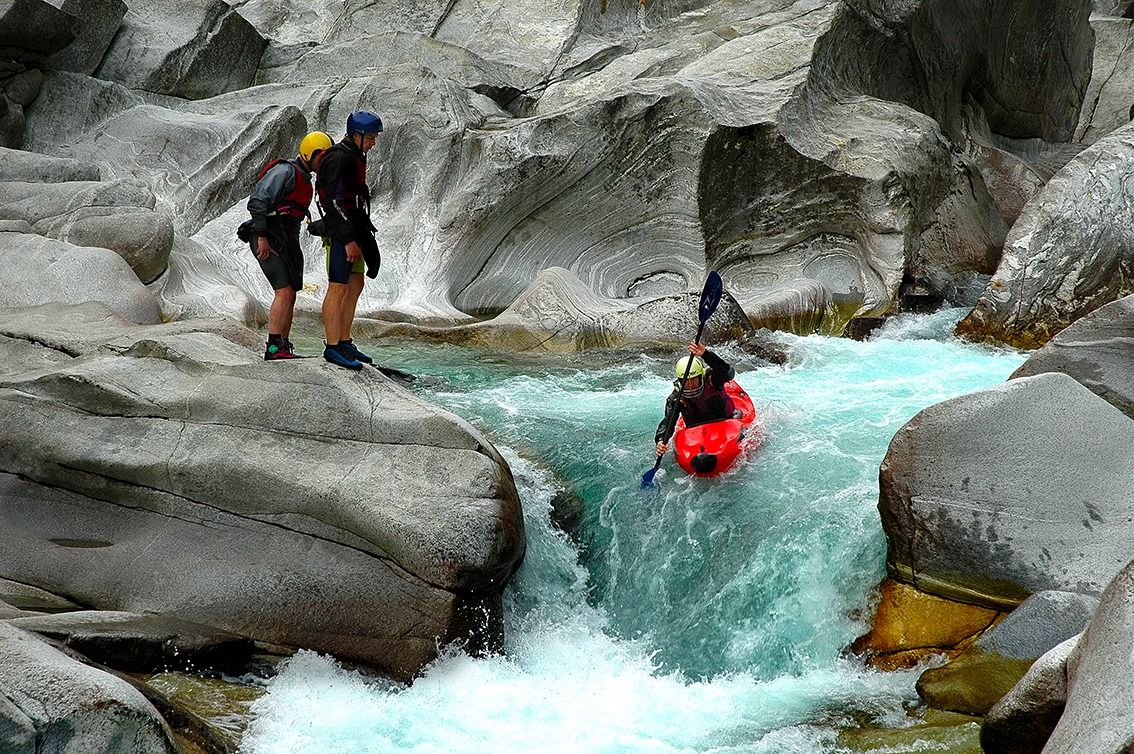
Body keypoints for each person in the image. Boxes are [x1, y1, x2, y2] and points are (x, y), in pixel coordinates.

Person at [246, 130, 333, 360]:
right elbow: (257, 202)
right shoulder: (285, 171)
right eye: (320, 157)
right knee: (283, 292)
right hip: (267, 236)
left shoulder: (304, 177)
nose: (323, 163)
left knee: (291, 293)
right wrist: (262, 238)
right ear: (309, 154)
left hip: (285, 237)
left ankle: (282, 345)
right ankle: (273, 349)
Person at [315, 108, 384, 370]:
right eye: (371, 137)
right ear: (356, 135)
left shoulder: (357, 155)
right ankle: (332, 347)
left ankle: (344, 341)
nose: (373, 142)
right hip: (339, 234)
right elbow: (332, 202)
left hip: (353, 230)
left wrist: (363, 238)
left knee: (356, 283)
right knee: (338, 286)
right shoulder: (339, 158)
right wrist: (348, 240)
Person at [654, 342, 736, 457]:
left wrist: (705, 354)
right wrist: (661, 440)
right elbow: (668, 421)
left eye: (693, 379)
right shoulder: (677, 398)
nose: (690, 385)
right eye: (686, 381)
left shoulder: (713, 380)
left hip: (725, 421)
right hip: (697, 432)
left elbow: (728, 372)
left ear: (700, 376)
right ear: (680, 381)